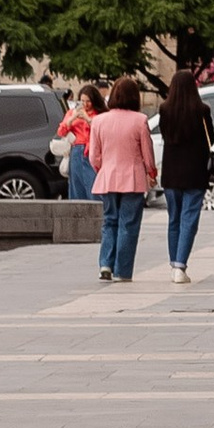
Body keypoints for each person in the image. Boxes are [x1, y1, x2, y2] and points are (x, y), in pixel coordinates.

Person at [88, 74, 158, 283]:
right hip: (133, 179)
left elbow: (93, 155)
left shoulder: (99, 121)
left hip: (108, 176)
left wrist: (102, 168)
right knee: (129, 224)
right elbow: (147, 152)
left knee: (109, 221)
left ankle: (105, 264)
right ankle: (122, 270)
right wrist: (151, 172)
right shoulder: (140, 120)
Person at [157, 68, 214, 281]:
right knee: (189, 218)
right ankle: (180, 266)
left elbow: (164, 135)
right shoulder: (202, 110)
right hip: (195, 172)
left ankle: (174, 264)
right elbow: (211, 138)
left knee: (174, 219)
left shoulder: (165, 109)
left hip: (171, 173)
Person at [59, 82, 101, 202]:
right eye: (82, 101)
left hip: (93, 149)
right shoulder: (72, 113)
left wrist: (87, 119)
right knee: (76, 185)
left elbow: (101, 130)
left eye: (88, 101)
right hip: (77, 150)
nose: (85, 104)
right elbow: (61, 131)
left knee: (93, 184)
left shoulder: (99, 114)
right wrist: (72, 118)